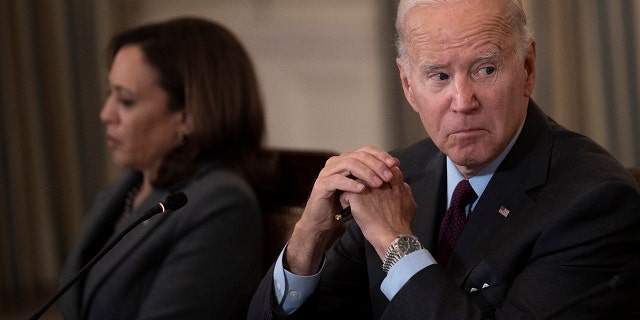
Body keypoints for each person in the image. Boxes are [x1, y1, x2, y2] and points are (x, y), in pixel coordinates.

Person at [248, 0, 640, 319]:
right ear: (408, 85)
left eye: (485, 70)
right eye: (438, 76)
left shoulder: (596, 201)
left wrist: (395, 243)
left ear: (527, 68)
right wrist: (308, 237)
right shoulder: (396, 178)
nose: (463, 102)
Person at [60, 17, 268, 319]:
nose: (106, 114)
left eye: (126, 100)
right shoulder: (122, 190)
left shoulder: (221, 204)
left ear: (190, 115)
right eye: (110, 94)